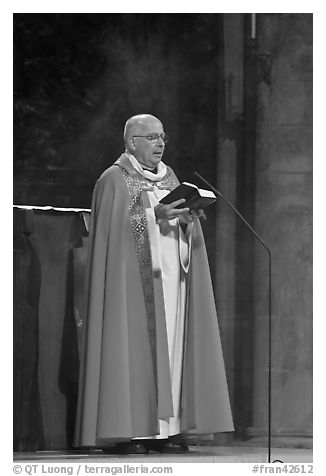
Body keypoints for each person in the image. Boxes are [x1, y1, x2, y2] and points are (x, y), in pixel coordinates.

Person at [74, 114, 233, 454]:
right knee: (132, 350)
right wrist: (152, 217)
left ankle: (167, 431)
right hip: (131, 288)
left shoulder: (170, 177)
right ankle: (130, 430)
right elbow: (111, 234)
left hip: (172, 286)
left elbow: (174, 226)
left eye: (163, 137)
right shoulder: (114, 179)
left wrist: (188, 222)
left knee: (174, 351)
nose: (160, 143)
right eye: (151, 137)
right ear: (132, 142)